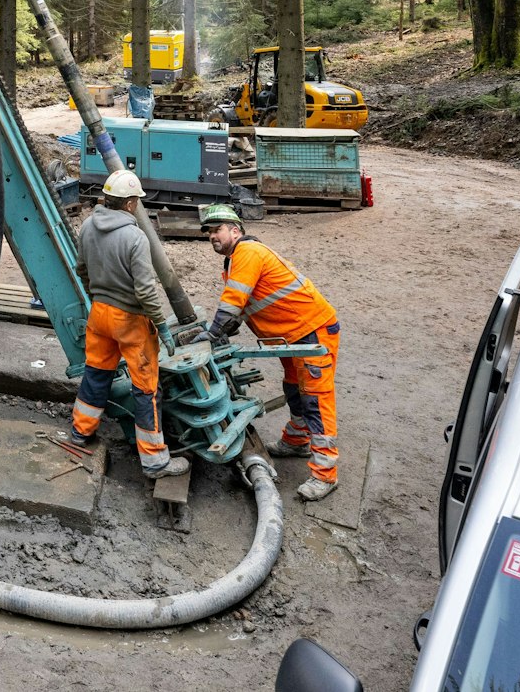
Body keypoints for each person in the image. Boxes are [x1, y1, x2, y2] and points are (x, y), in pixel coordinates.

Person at [198, 203, 342, 501]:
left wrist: (213, 334)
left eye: (217, 230)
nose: (212, 236)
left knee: (315, 399)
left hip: (311, 332)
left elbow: (233, 302)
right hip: (293, 337)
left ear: (235, 231)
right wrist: (224, 330)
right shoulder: (235, 260)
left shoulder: (247, 253)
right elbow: (243, 305)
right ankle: (297, 440)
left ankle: (325, 474)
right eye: (209, 232)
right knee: (293, 388)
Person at [62, 170, 189, 480]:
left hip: (99, 314)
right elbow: (145, 291)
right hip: (130, 320)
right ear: (131, 203)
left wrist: (97, 295)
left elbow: (81, 269)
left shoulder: (88, 226)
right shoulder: (135, 237)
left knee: (96, 375)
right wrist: (161, 323)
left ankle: (80, 431)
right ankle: (155, 461)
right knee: (146, 389)